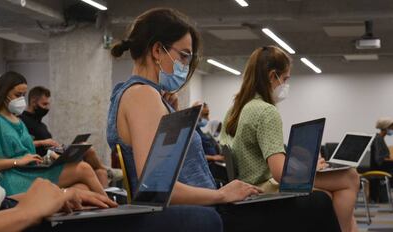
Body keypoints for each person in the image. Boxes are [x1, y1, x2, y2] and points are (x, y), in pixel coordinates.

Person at [107, 7, 341, 232]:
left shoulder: (133, 93)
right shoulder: (142, 95)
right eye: (184, 56)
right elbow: (156, 189)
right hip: (207, 208)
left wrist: (171, 116)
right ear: (157, 50)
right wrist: (221, 194)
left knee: (312, 203)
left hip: (207, 204)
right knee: (317, 204)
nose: (185, 65)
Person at [220, 45, 360, 232]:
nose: (286, 85)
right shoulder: (266, 111)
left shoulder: (237, 108)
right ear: (272, 77)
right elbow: (280, 173)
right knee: (350, 177)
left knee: (330, 195)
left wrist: (305, 165)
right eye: (285, 79)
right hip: (262, 189)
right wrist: (308, 168)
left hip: (248, 186)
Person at [0, 140, 224, 232]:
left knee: (85, 188)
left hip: (9, 206)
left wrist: (55, 196)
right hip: (11, 218)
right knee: (202, 220)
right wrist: (26, 211)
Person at [0, 71, 106, 196]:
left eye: (24, 95)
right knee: (83, 169)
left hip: (28, 172)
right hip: (12, 178)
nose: (21, 99)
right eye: (17, 95)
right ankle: (112, 208)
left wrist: (46, 159)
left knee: (81, 187)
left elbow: (27, 153)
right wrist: (17, 161)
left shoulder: (18, 121)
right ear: (3, 94)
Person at [19, 86, 111, 187]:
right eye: (44, 104)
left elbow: (49, 145)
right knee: (90, 156)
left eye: (48, 104)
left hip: (54, 154)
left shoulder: (42, 125)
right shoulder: (22, 121)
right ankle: (105, 170)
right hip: (44, 162)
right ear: (33, 102)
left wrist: (58, 146)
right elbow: (21, 144)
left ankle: (104, 173)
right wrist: (43, 142)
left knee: (90, 153)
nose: (47, 108)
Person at [369, 117, 393, 202]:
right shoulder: (378, 139)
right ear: (386, 127)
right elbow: (379, 159)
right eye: (391, 127)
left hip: (381, 166)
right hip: (378, 167)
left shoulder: (380, 138)